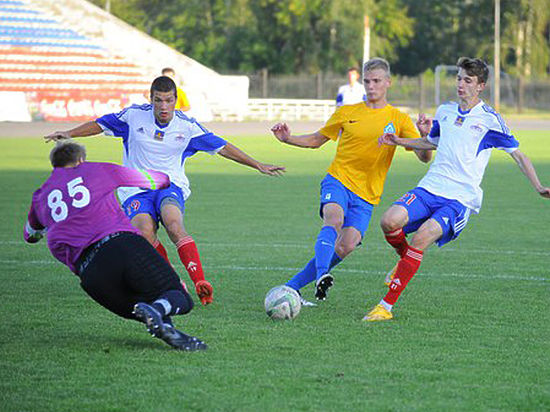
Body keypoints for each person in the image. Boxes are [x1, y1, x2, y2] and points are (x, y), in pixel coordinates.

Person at [44, 76, 285, 307]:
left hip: (170, 186)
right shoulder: (133, 117)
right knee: (144, 233)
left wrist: (258, 164)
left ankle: (200, 280)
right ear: (150, 99)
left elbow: (223, 147)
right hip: (135, 189)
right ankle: (173, 282)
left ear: (176, 100)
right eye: (158, 100)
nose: (163, 106)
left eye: (169, 100)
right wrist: (70, 134)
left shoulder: (187, 127)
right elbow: (100, 124)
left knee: (173, 224)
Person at [365, 57, 550, 322]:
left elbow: (519, 155)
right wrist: (399, 140)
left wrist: (538, 185)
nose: (461, 84)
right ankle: (404, 260)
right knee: (388, 221)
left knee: (422, 237)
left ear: (481, 86)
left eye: (468, 80)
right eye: (459, 78)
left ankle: (385, 307)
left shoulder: (489, 120)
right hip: (430, 187)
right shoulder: (445, 111)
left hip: (460, 198)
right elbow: (432, 142)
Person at [271, 57, 432, 305]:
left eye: (376, 81)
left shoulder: (398, 119)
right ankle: (322, 274)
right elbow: (317, 140)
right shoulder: (347, 112)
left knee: (347, 245)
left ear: (388, 83)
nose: (371, 86)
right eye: (367, 81)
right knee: (333, 219)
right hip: (338, 180)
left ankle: (291, 287)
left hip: (367, 195)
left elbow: (424, 156)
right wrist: (288, 139)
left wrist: (424, 135)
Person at [24, 141, 207, 350]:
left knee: (143, 309)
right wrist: (165, 181)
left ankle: (168, 330)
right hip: (119, 245)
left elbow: (29, 234)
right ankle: (159, 309)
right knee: (178, 296)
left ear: (54, 165)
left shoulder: (40, 197)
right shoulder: (96, 169)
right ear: (81, 160)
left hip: (90, 274)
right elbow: (156, 179)